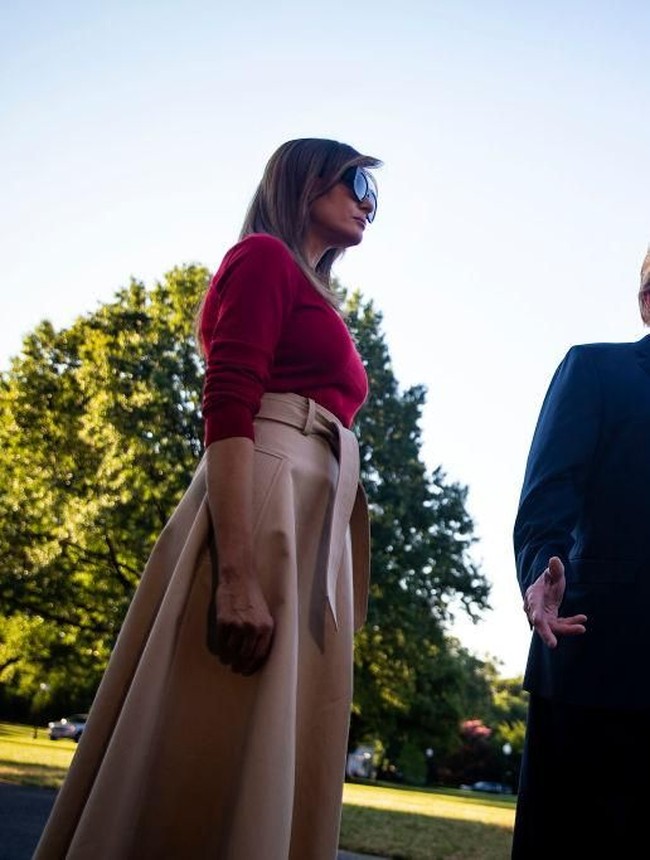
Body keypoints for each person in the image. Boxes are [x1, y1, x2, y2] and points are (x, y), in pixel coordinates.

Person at [34, 137, 381, 860]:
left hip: (308, 518)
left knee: (268, 741)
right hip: (265, 499)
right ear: (304, 179)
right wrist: (235, 573)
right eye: (355, 183)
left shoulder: (314, 290)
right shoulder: (262, 258)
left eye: (374, 195)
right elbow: (227, 399)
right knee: (208, 732)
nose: (367, 204)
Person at [511, 247, 650, 857]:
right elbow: (548, 497)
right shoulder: (597, 371)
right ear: (648, 301)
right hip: (598, 661)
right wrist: (541, 574)